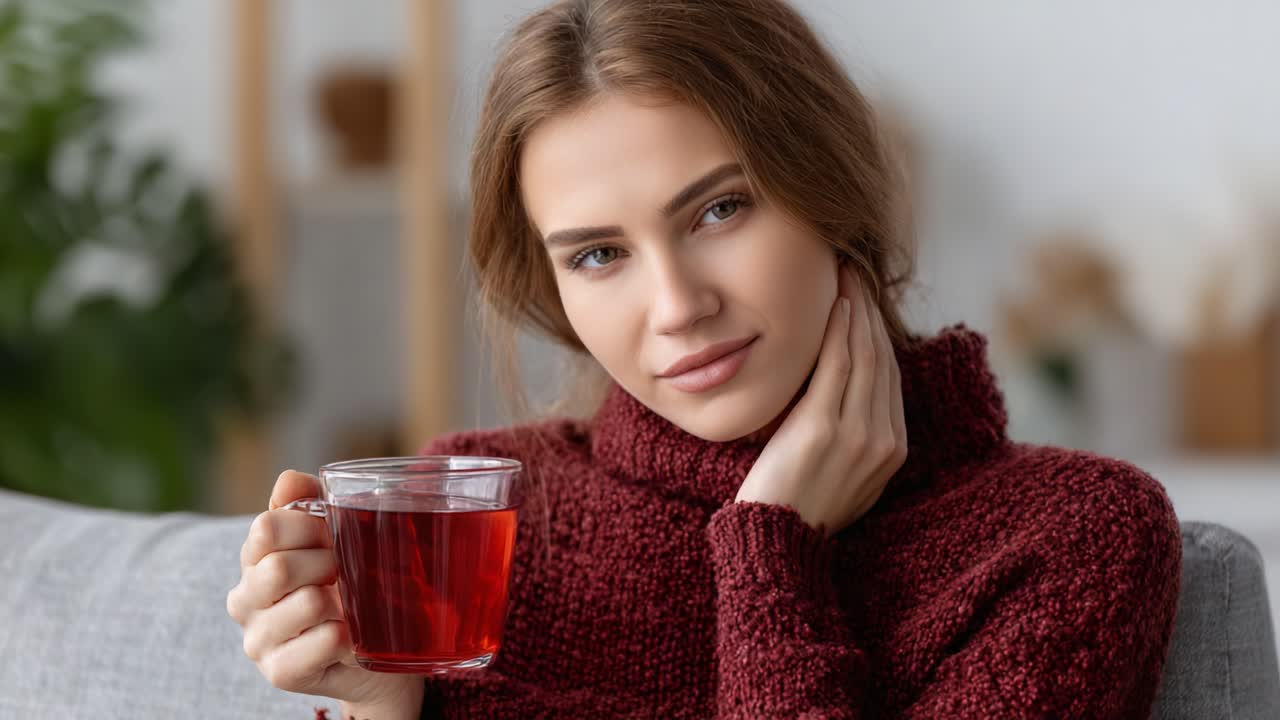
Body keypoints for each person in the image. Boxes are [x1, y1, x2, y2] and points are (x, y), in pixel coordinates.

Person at [226, 1, 1183, 718]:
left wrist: (772, 546)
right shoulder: (465, 514)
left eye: (720, 209)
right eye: (599, 255)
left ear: (830, 188)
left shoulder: (1071, 537)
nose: (679, 307)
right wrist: (383, 704)